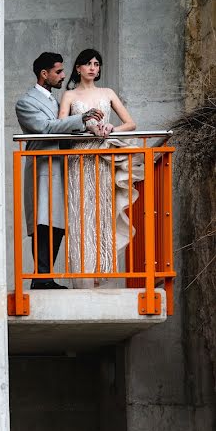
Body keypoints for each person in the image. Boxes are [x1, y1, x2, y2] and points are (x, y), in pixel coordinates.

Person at [15, 52, 104, 289]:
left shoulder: (58, 100)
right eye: (58, 72)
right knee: (42, 223)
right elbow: (44, 127)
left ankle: (44, 278)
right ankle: (41, 278)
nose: (63, 76)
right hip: (43, 167)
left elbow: (68, 126)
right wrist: (81, 120)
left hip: (64, 165)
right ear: (44, 74)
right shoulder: (26, 102)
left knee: (58, 223)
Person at [58, 48, 138, 288]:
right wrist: (87, 128)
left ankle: (100, 274)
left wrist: (112, 129)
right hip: (79, 158)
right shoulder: (70, 96)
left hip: (103, 158)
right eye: (88, 63)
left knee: (102, 211)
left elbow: (131, 123)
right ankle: (81, 274)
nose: (93, 67)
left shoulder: (107, 92)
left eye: (96, 63)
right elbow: (62, 125)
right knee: (80, 213)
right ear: (78, 68)